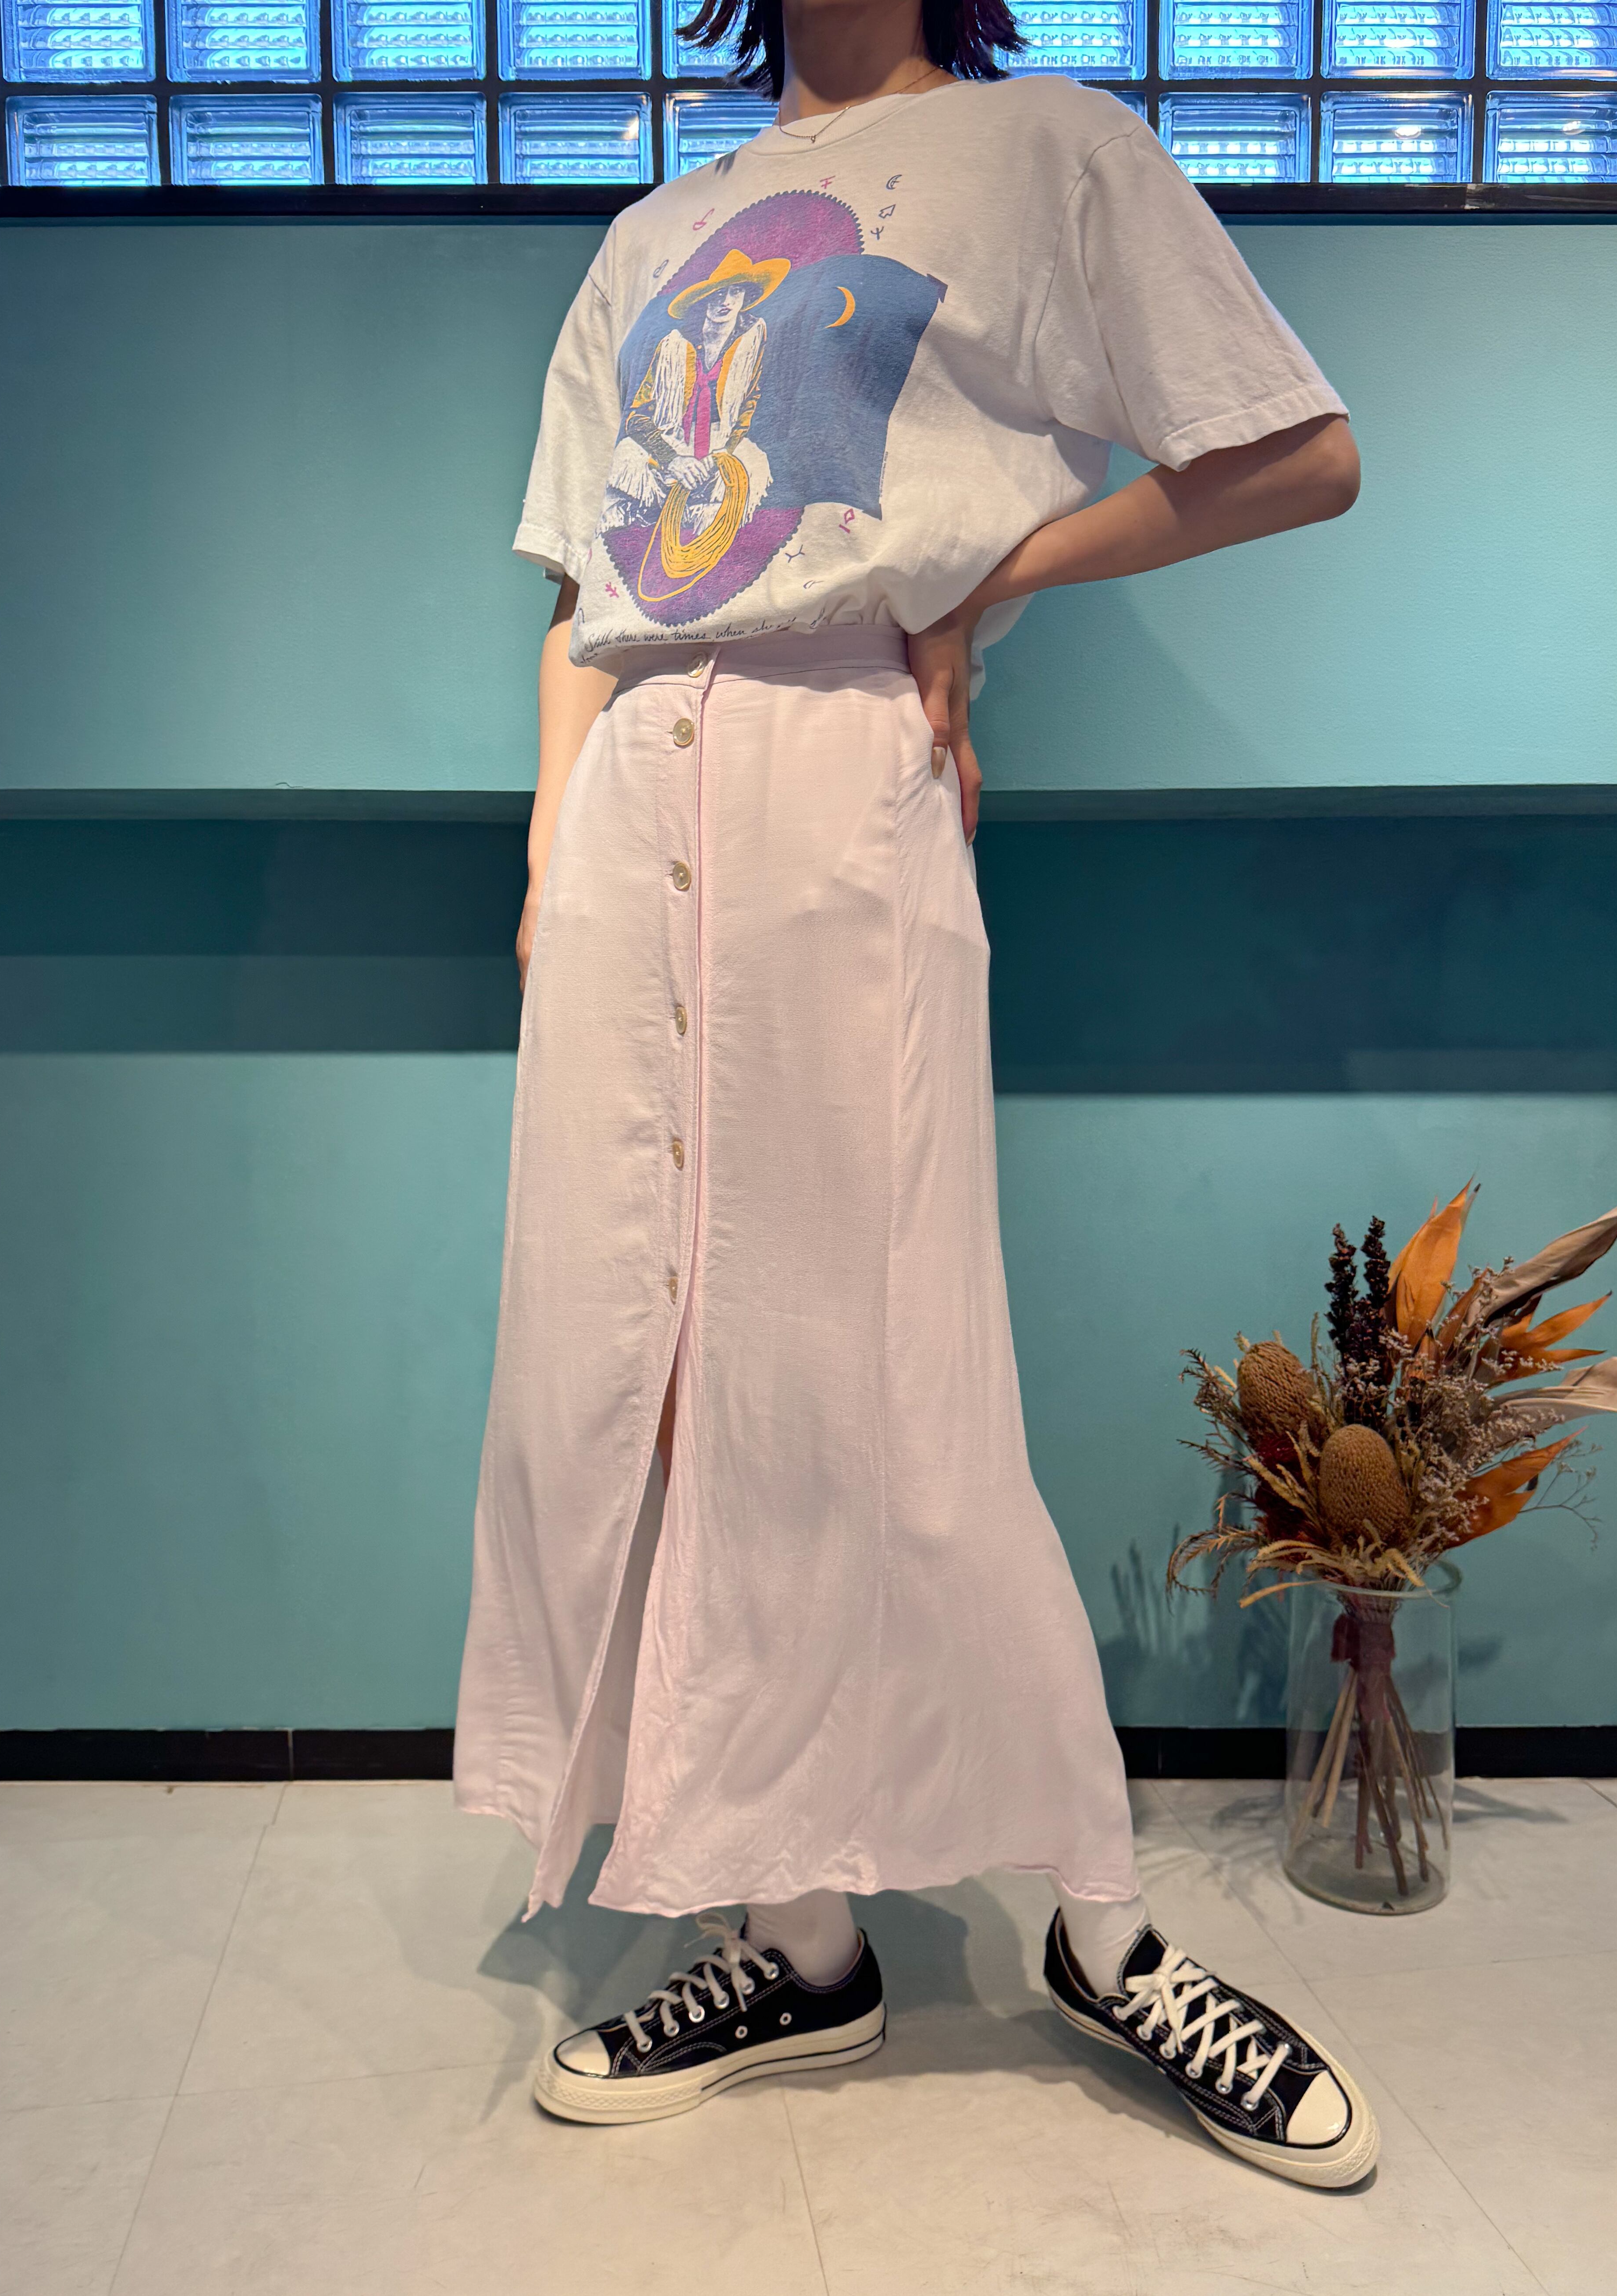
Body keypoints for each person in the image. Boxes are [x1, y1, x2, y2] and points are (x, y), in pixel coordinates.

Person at [454, 0, 1376, 2190]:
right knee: (652, 1386)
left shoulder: (1046, 150)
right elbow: (590, 581)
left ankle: (1102, 1924)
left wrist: (995, 564)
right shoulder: (656, 230)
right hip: (633, 814)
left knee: (894, 1380)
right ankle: (794, 1938)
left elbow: (1297, 451)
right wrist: (550, 852)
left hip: (843, 775)